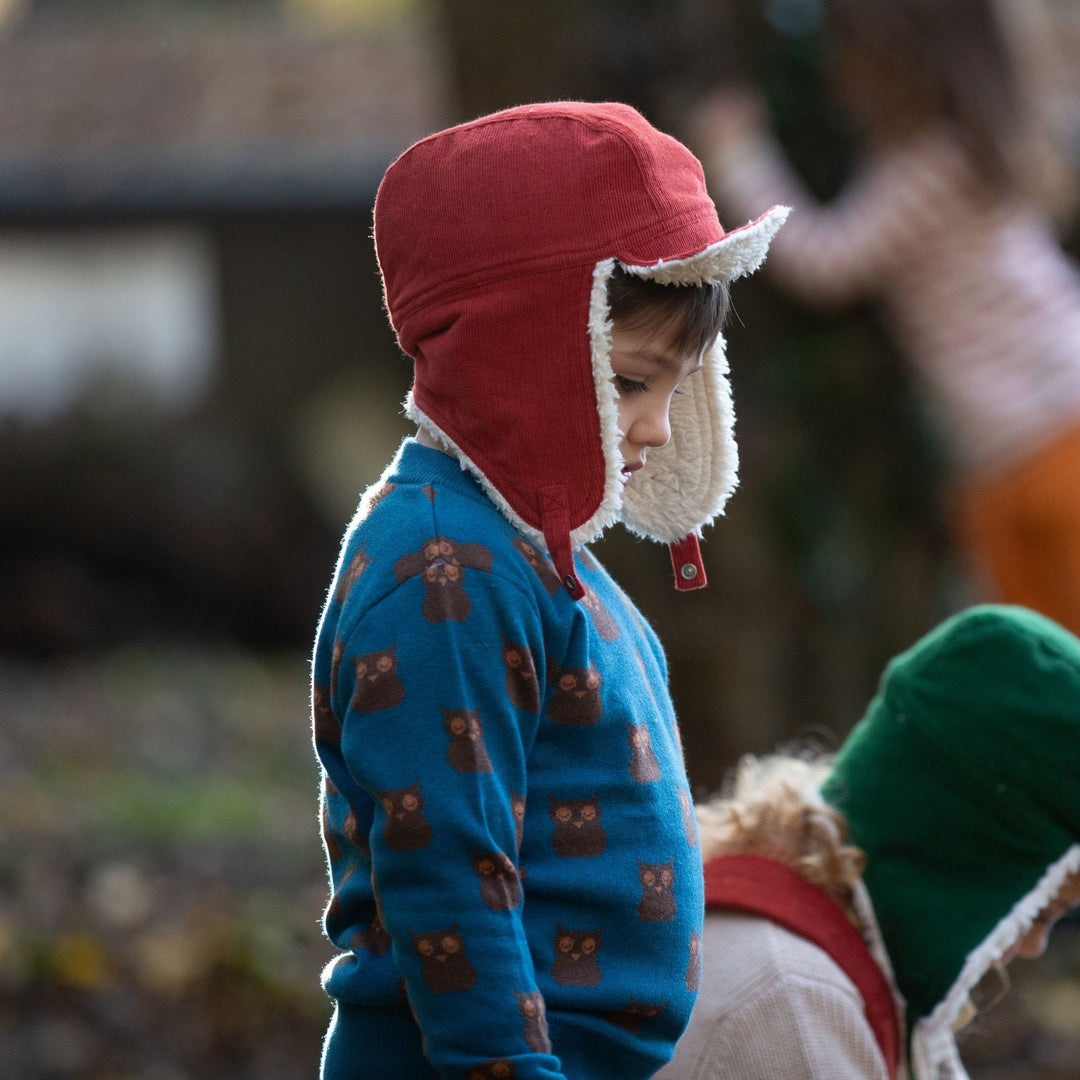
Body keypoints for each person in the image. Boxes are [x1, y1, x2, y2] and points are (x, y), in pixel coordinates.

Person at [308, 101, 788, 1080]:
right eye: (625, 384)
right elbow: (450, 880)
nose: (655, 428)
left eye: (677, 385)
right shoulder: (446, 571)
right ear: (513, 357)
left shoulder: (532, 551)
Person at [692, 0, 1080, 637]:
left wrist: (740, 154)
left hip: (1047, 439)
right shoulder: (960, 157)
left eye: (858, 53)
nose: (840, 72)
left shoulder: (936, 167)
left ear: (906, 63)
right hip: (998, 456)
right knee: (1045, 657)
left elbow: (823, 261)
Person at [656, 603, 1080, 1080]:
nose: (1033, 946)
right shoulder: (793, 1002)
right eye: (1037, 909)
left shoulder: (810, 958)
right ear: (964, 857)